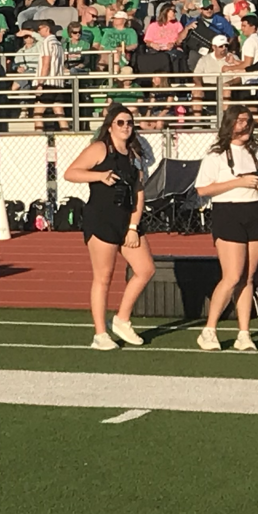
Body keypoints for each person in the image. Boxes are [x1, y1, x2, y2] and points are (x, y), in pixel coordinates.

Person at [62, 103, 154, 350]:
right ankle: (100, 334)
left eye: (129, 122)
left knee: (145, 269)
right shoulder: (100, 148)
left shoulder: (134, 154)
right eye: (120, 122)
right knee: (104, 277)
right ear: (110, 126)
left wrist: (134, 226)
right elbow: (70, 173)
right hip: (101, 218)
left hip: (126, 219)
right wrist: (99, 176)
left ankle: (122, 319)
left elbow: (139, 191)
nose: (126, 127)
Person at [193, 105, 258, 352]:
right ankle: (209, 330)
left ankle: (244, 333)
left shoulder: (256, 152)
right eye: (239, 121)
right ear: (229, 124)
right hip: (228, 212)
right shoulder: (215, 155)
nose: (245, 125)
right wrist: (238, 182)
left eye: (248, 121)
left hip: (257, 212)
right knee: (232, 276)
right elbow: (203, 189)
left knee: (248, 277)